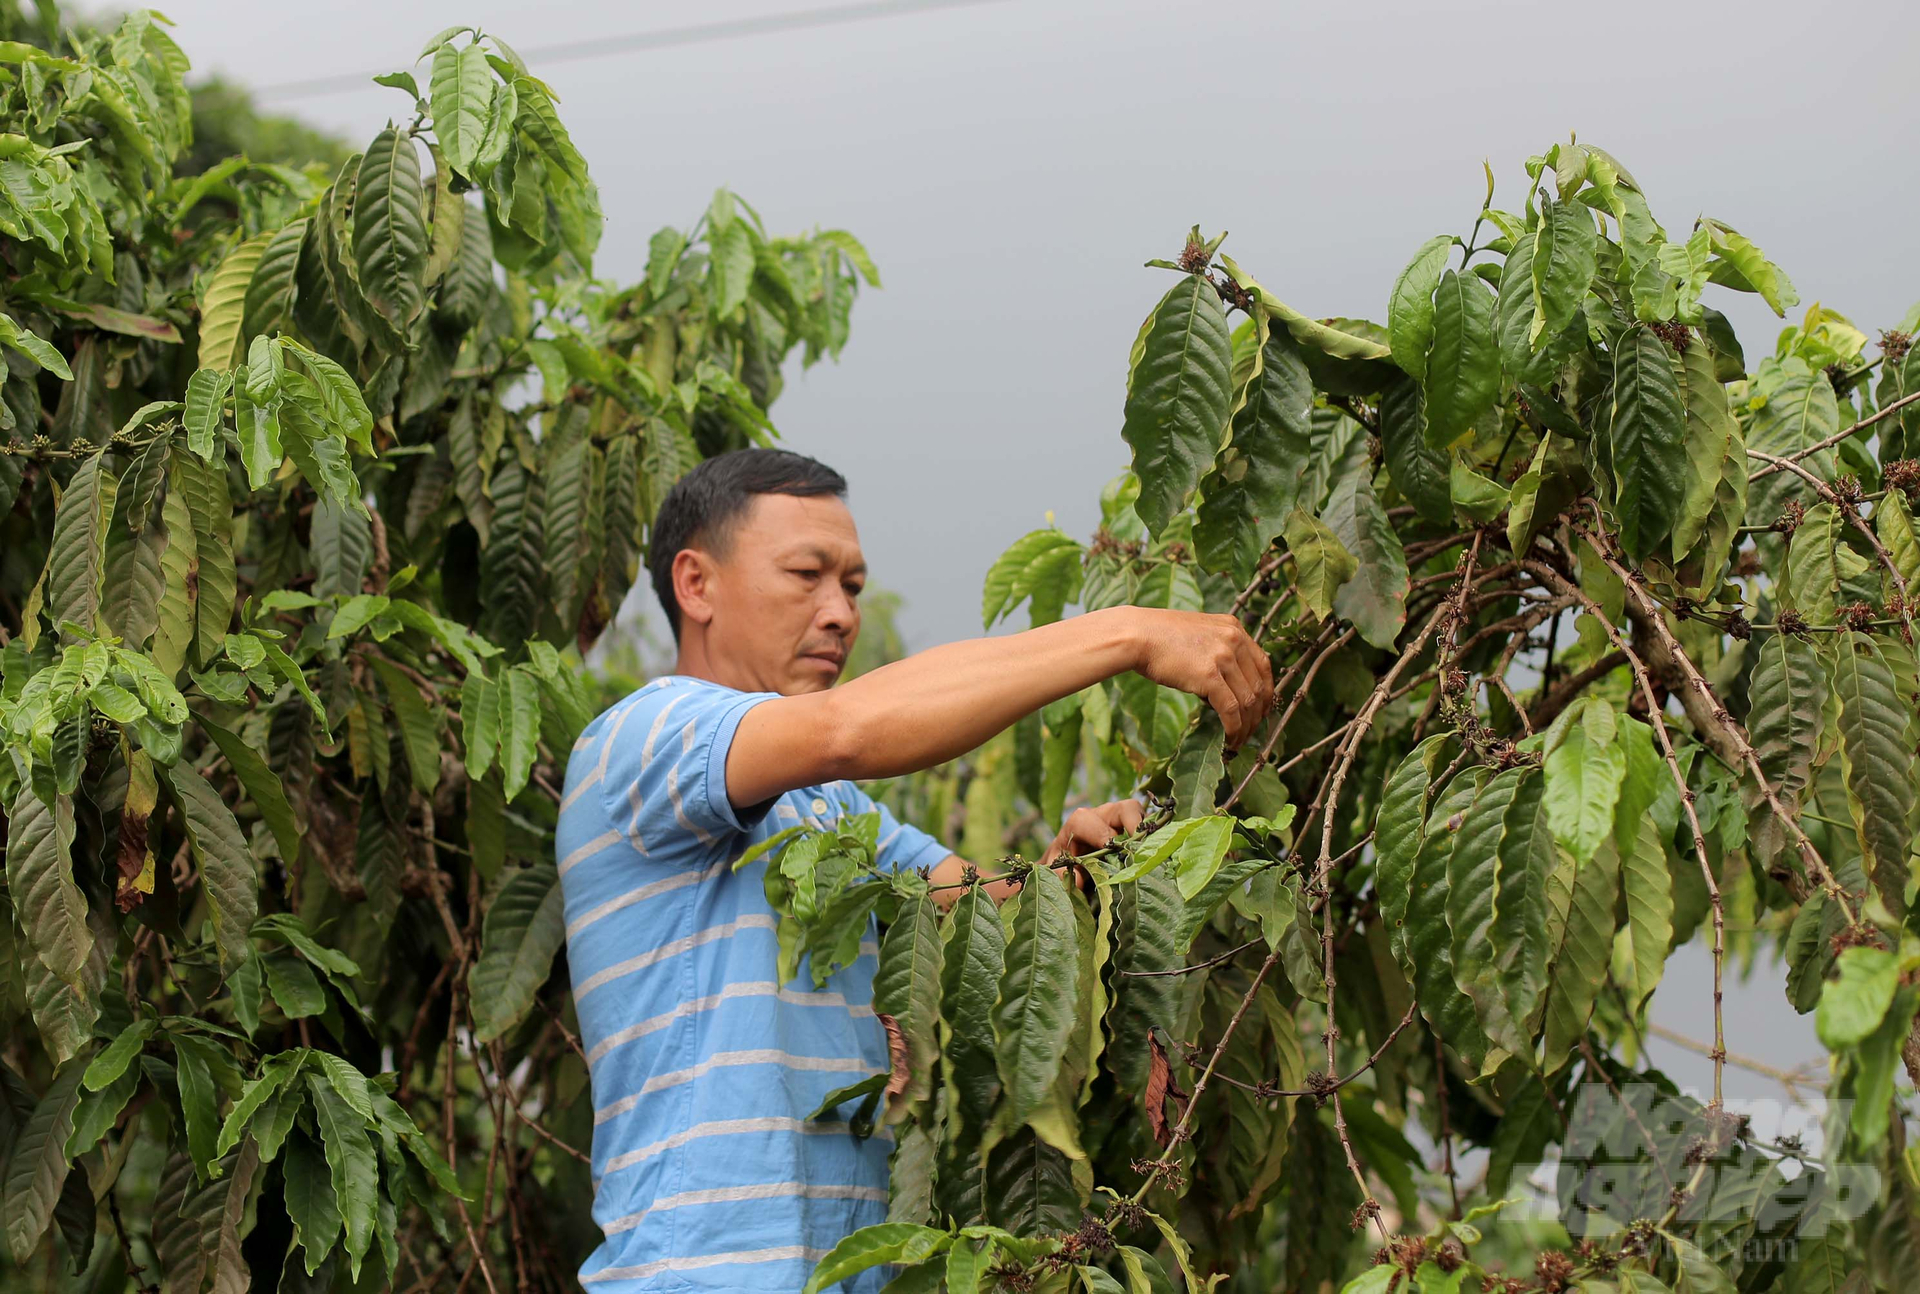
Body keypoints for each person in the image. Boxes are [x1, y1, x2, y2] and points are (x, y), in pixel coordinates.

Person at [556, 448, 1272, 1292]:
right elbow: (846, 731)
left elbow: (978, 910)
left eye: (852, 587)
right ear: (696, 584)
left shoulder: (831, 815)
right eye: (806, 575)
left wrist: (1073, 871)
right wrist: (1131, 633)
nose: (838, 614)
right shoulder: (647, 738)